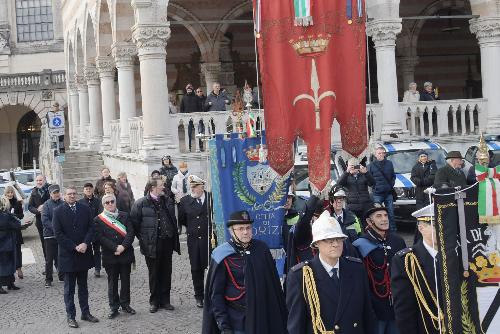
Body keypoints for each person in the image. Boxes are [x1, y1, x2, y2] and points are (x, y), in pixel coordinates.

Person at [286, 210, 376, 333]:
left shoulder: (356, 268)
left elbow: (367, 314)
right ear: (316, 243)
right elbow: (296, 326)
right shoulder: (301, 276)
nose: (336, 244)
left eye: (339, 239)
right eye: (329, 240)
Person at [202, 210, 288, 334]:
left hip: (262, 318)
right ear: (232, 231)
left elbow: (272, 286)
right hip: (237, 320)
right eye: (241, 228)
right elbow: (216, 295)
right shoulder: (222, 255)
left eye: (248, 227)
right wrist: (224, 326)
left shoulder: (261, 249)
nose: (246, 232)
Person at [391, 204, 445, 334]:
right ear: (421, 228)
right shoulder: (406, 260)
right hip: (426, 328)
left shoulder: (455, 255)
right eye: (435, 226)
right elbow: (404, 310)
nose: (442, 230)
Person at [353, 205, 406, 334]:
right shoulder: (359, 245)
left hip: (397, 307)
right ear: (369, 222)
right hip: (374, 308)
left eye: (386, 215)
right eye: (379, 216)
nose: (384, 219)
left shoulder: (398, 241)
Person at [130, 178, 180, 313]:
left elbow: (172, 219)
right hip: (152, 244)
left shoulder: (167, 201)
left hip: (167, 242)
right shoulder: (140, 203)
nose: (163, 187)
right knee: (154, 273)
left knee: (166, 272)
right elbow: (134, 224)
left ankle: (165, 301)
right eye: (161, 185)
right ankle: (154, 301)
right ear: (152, 187)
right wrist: (144, 239)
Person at [53, 186, 99, 328]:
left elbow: (91, 228)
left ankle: (85, 313)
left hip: (83, 253)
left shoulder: (85, 209)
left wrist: (85, 243)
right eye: (69, 194)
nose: (72, 196)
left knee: (83, 287)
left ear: (77, 195)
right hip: (68, 255)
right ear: (64, 196)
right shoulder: (58, 211)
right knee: (69, 289)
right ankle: (71, 316)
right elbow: (58, 234)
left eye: (74, 194)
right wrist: (74, 246)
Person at [94, 194, 136, 319]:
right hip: (110, 255)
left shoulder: (125, 215)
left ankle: (125, 304)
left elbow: (131, 233)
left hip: (125, 253)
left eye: (112, 201)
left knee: (125, 281)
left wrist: (123, 247)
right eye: (107, 202)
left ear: (116, 202)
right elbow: (100, 238)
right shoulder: (98, 219)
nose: (110, 204)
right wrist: (115, 248)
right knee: (112, 283)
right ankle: (114, 307)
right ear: (103, 205)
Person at [178, 175, 212, 308]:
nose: (192, 189)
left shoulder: (211, 198)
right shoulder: (185, 201)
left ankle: (212, 294)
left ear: (202, 186)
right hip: (194, 241)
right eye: (191, 187)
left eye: (195, 187)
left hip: (209, 240)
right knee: (196, 269)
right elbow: (182, 219)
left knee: (211, 268)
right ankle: (199, 296)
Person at [78, 183, 103, 278]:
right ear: (84, 191)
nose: (88, 190)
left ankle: (97, 269)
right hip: (85, 230)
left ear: (93, 190)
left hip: (96, 229)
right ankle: (84, 268)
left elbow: (100, 214)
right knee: (86, 250)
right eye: (86, 189)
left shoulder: (98, 201)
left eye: (90, 189)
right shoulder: (80, 202)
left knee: (97, 250)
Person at [369, 147, 397, 231]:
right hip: (377, 194)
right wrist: (375, 187)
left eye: (383, 153)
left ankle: (393, 232)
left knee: (391, 214)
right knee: (377, 214)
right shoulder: (371, 166)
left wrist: (391, 185)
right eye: (379, 153)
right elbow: (369, 180)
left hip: (388, 193)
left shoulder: (389, 163)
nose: (381, 155)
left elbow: (393, 176)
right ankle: (378, 230)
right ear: (375, 155)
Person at [41, 184, 64, 287]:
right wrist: (56, 229)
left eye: (57, 192)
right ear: (50, 194)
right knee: (49, 259)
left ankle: (62, 275)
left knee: (61, 257)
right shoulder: (46, 205)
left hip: (61, 236)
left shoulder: (64, 204)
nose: (56, 194)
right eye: (54, 193)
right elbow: (45, 220)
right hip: (49, 236)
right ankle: (48, 279)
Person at [0, 197, 21, 294]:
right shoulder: (5, 216)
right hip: (6, 242)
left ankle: (10, 283)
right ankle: (4, 285)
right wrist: (10, 214)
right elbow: (17, 223)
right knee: (5, 264)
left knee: (8, 263)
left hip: (6, 242)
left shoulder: (5, 215)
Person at [3, 185, 24, 280]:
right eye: (8, 193)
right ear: (5, 194)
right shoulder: (3, 203)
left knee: (18, 251)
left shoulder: (17, 203)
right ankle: (10, 273)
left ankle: (19, 268)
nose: (10, 194)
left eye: (11, 192)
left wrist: (13, 215)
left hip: (16, 231)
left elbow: (21, 215)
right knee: (8, 253)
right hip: (6, 233)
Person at [28, 175, 50, 263]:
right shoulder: (34, 191)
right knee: (44, 244)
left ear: (45, 180)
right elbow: (30, 206)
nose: (38, 182)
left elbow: (56, 200)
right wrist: (37, 210)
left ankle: (58, 265)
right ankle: (48, 265)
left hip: (51, 220)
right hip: (40, 221)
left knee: (54, 243)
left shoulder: (50, 189)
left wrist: (45, 207)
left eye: (40, 180)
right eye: (37, 180)